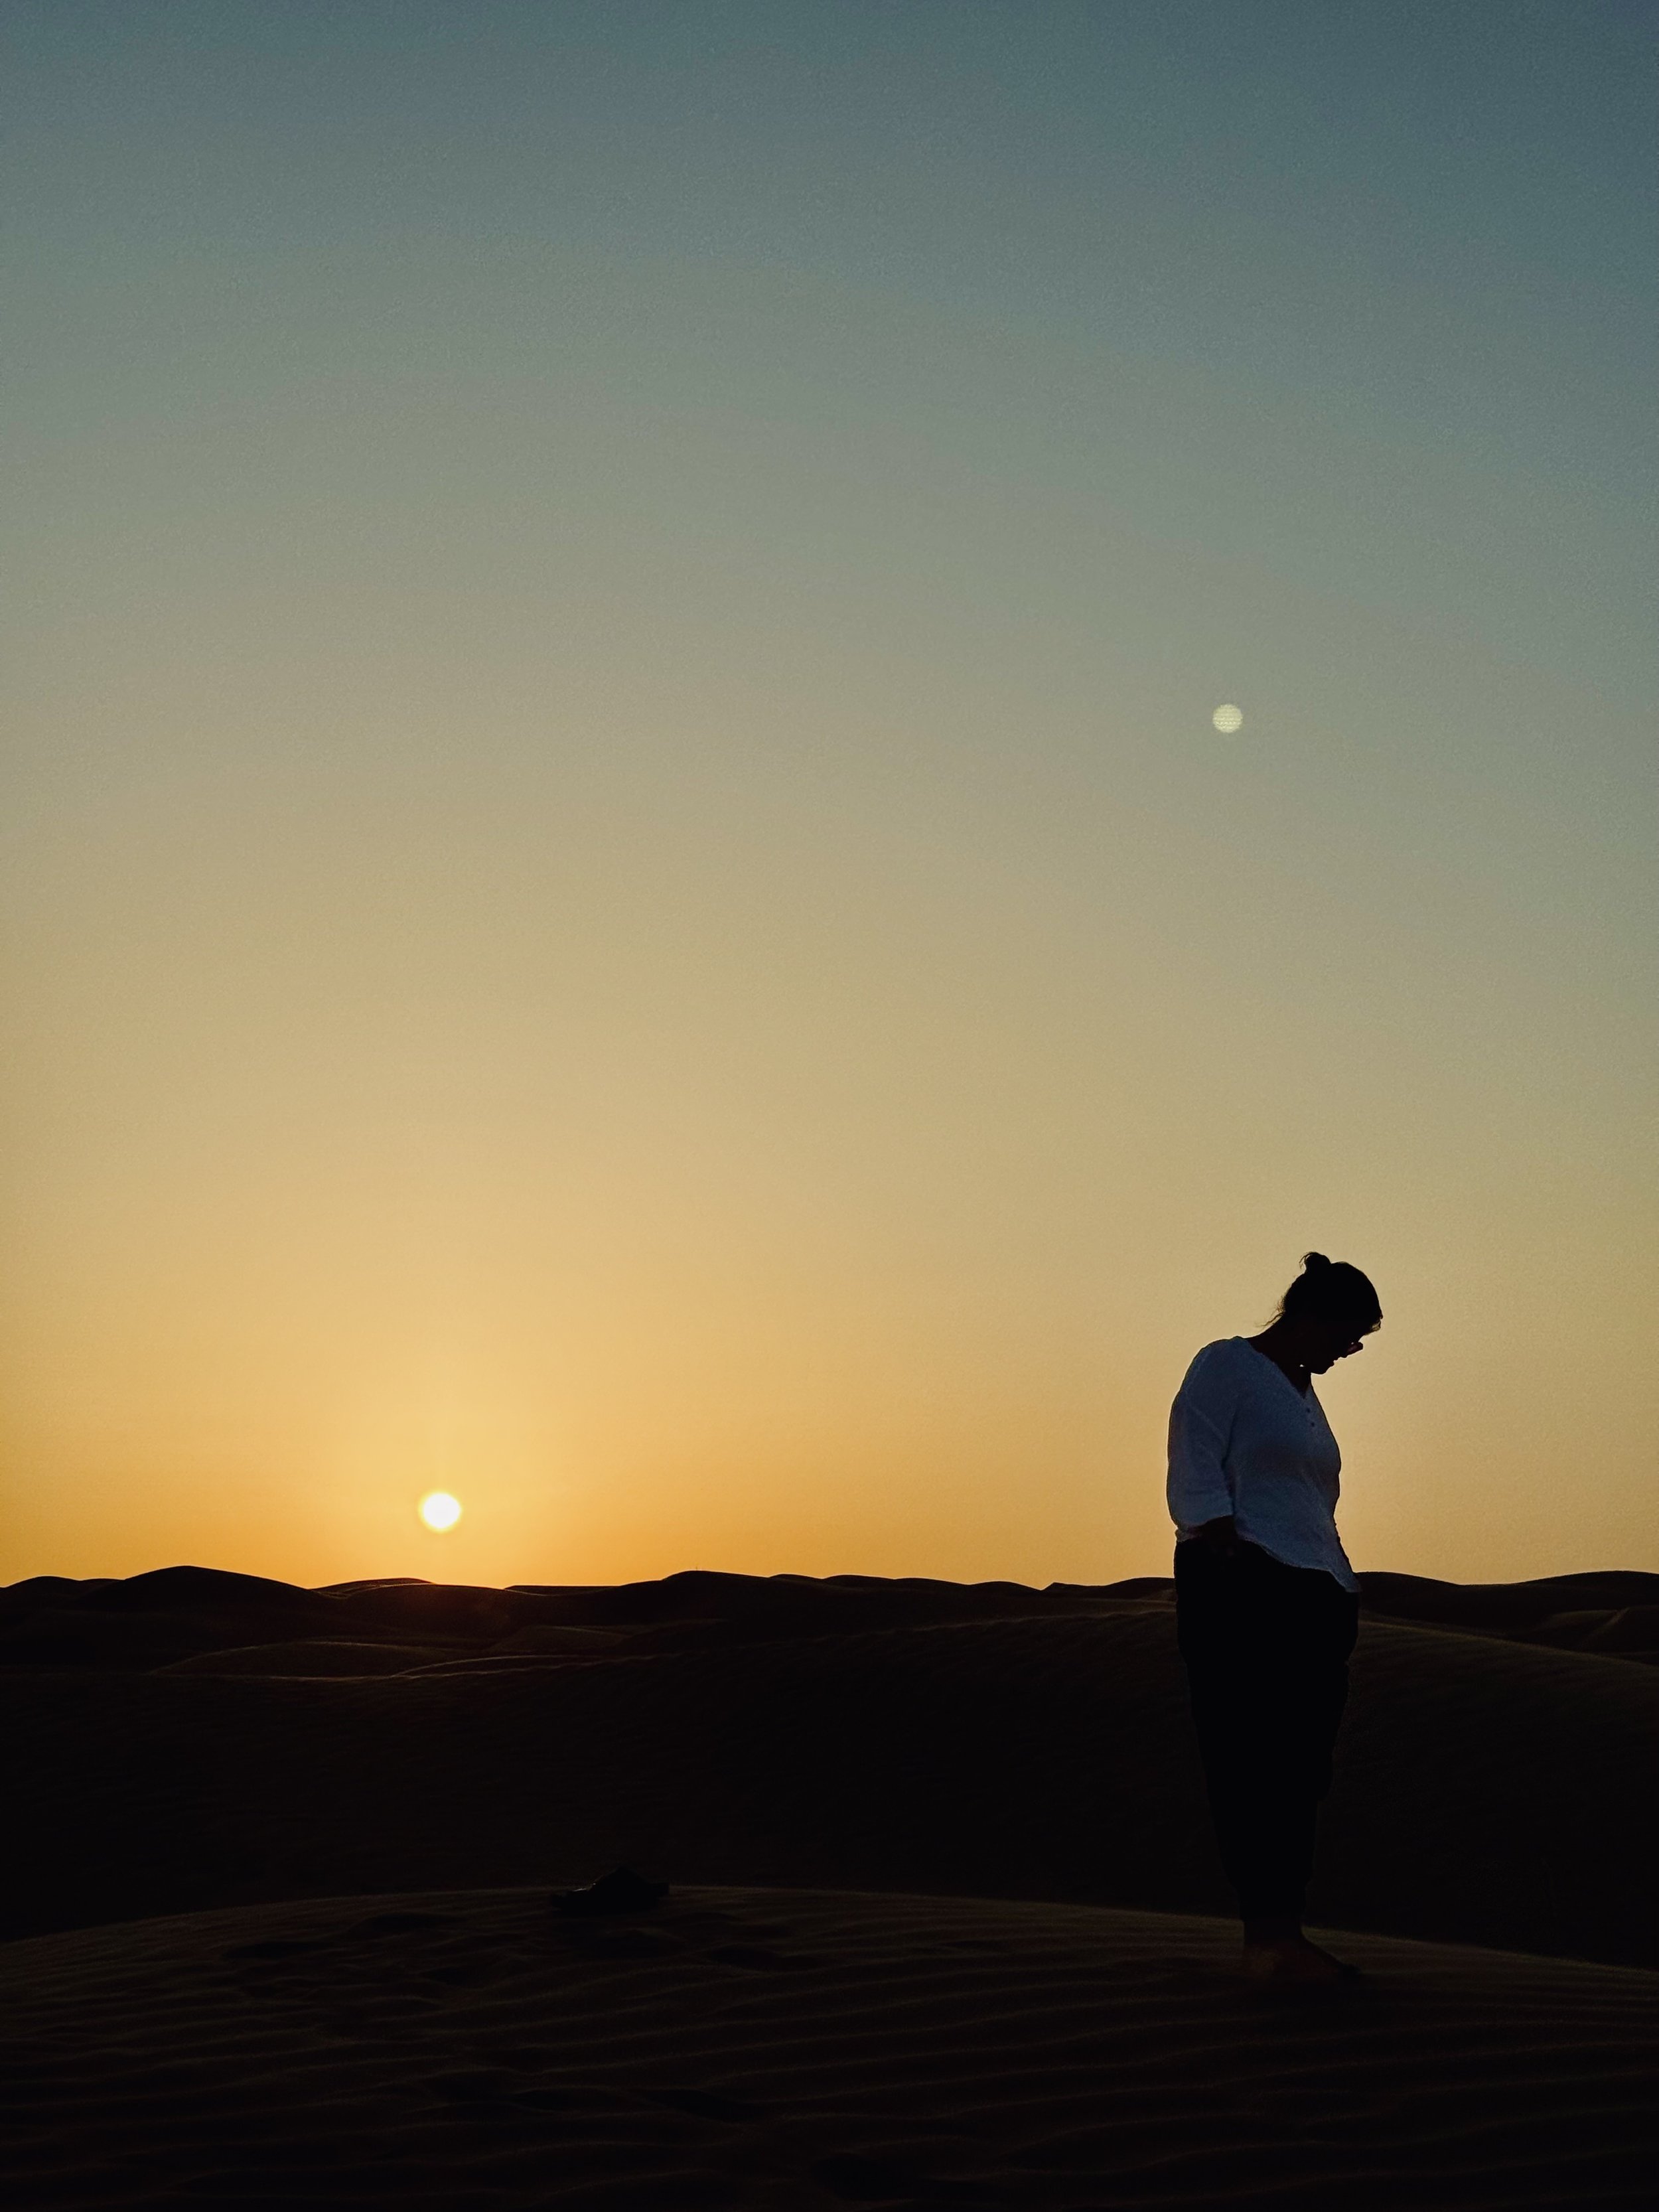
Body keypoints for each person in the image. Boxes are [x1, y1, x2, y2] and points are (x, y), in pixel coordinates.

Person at [1167, 1251, 1382, 1984]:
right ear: (1309, 1315)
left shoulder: (1303, 1394)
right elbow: (1194, 1456)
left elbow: (1308, 1499)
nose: (1351, 1349)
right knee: (1249, 1762)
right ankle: (1268, 1939)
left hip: (1316, 1591)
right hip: (1244, 1582)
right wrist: (1221, 1544)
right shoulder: (1228, 1365)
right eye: (1349, 1333)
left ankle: (1283, 1935)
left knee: (1300, 1771)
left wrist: (1336, 1582)